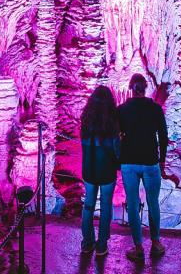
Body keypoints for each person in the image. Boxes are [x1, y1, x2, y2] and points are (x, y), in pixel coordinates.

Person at [116, 74, 168, 261]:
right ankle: (155, 243)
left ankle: (138, 247)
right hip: (150, 161)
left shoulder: (121, 109)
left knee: (132, 203)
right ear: (146, 88)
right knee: (153, 202)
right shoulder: (155, 108)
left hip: (129, 162)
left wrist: (118, 160)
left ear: (131, 88)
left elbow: (117, 137)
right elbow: (163, 136)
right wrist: (162, 161)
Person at [79, 86, 122, 255]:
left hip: (89, 169)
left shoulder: (86, 121)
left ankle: (87, 243)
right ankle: (102, 244)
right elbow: (116, 150)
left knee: (88, 206)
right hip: (106, 170)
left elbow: (84, 146)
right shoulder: (112, 123)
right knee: (105, 206)